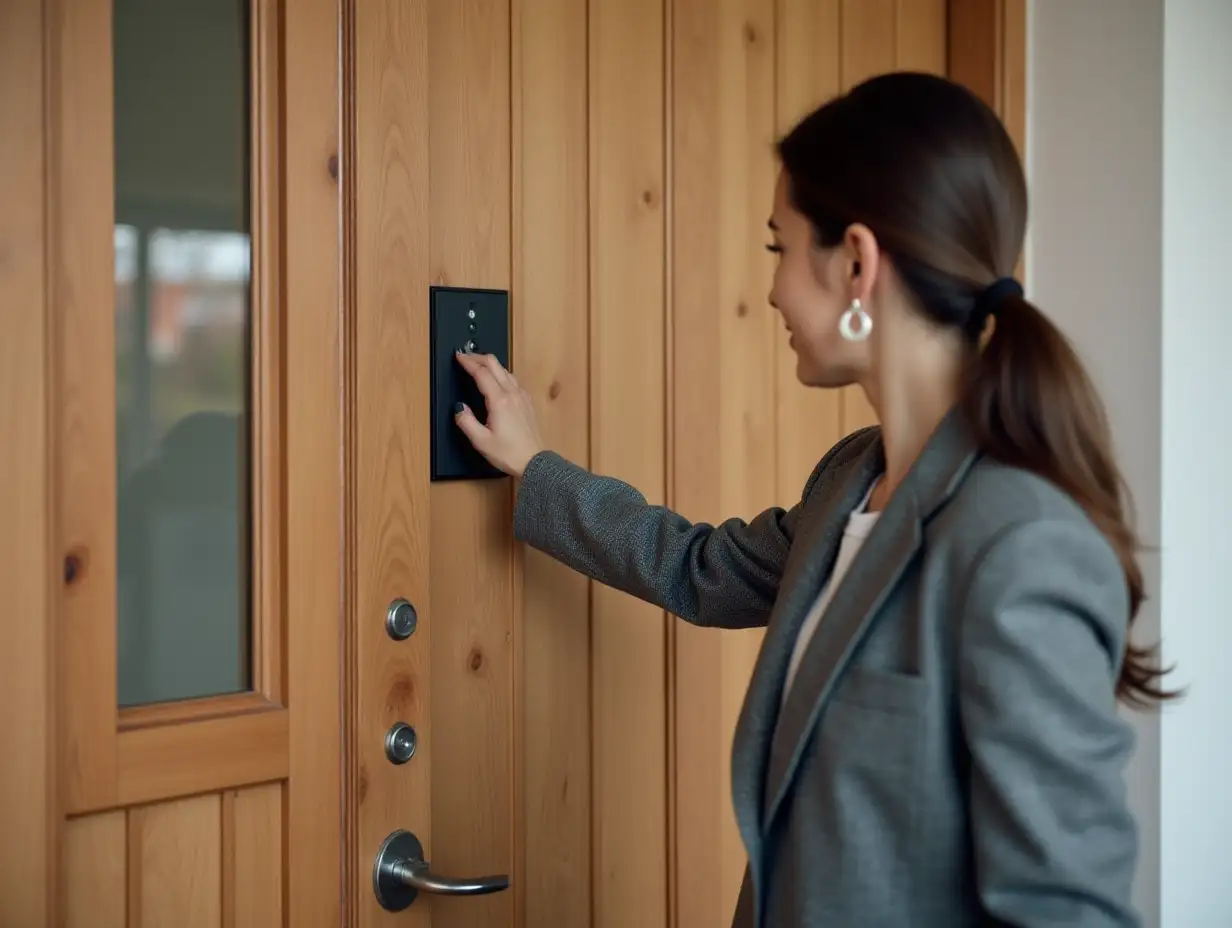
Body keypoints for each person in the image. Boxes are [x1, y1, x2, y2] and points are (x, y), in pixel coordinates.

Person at [454, 71, 1172, 928]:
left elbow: (1068, 911)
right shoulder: (853, 479)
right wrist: (537, 467)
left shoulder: (1021, 541)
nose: (772, 290)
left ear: (857, 263)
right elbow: (699, 567)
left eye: (778, 247)